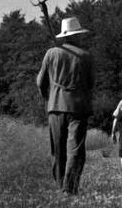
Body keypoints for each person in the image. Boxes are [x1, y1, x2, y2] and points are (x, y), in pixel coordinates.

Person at [36, 16, 95, 195]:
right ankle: (70, 187)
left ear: (64, 36)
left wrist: (48, 96)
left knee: (58, 149)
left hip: (55, 106)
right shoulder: (86, 56)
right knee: (75, 148)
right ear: (77, 35)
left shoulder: (51, 53)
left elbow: (40, 82)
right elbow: (91, 83)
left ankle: (61, 184)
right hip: (78, 107)